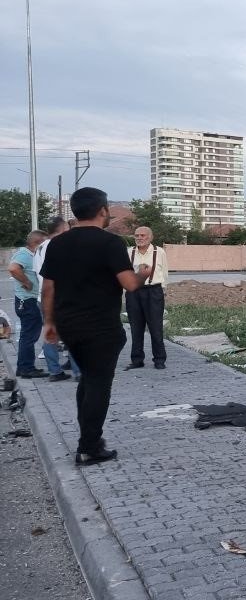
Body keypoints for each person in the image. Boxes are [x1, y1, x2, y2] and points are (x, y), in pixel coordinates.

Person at [40, 187, 145, 466]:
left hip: (69, 326)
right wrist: (143, 274)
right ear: (102, 210)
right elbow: (130, 284)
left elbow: (48, 289)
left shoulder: (57, 244)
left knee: (87, 380)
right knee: (98, 384)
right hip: (100, 327)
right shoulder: (110, 243)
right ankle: (89, 447)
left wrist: (49, 322)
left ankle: (90, 441)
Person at [35, 217, 80, 382]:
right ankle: (78, 371)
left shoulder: (40, 247)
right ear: (62, 229)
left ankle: (54, 371)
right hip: (61, 297)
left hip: (43, 297)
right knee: (74, 333)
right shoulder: (60, 246)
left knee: (50, 333)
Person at [125, 226, 169, 370]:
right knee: (136, 327)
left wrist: (163, 290)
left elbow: (164, 272)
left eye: (142, 235)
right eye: (137, 235)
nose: (139, 238)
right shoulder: (130, 252)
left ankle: (159, 359)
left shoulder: (159, 252)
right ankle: (137, 359)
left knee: (156, 327)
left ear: (150, 237)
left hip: (153, 291)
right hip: (134, 292)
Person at [8, 229, 48, 378]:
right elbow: (13, 268)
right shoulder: (24, 254)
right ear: (38, 242)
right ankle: (26, 368)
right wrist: (27, 282)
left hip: (27, 300)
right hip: (26, 301)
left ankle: (24, 367)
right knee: (29, 335)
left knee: (29, 334)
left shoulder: (31, 255)